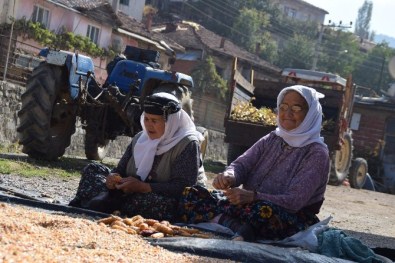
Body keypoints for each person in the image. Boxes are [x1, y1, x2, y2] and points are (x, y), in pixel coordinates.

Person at [178, 85, 331, 242]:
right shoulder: (273, 138)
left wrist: (254, 197)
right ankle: (237, 226)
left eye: (296, 108)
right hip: (247, 204)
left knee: (263, 212)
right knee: (192, 194)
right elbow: (242, 164)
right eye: (283, 107)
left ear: (311, 114)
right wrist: (229, 176)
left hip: (288, 214)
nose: (287, 113)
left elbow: (294, 201)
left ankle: (232, 223)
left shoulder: (317, 153)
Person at [69, 92, 204, 221]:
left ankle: (105, 204)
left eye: (155, 121)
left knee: (154, 204)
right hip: (129, 192)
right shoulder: (140, 138)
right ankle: (112, 205)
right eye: (146, 119)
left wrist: (145, 187)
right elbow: (120, 169)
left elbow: (184, 187)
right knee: (92, 169)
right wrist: (112, 178)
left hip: (160, 197)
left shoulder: (187, 144)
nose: (148, 125)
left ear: (171, 122)